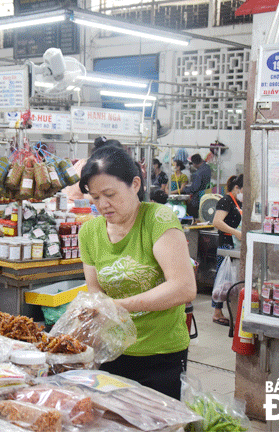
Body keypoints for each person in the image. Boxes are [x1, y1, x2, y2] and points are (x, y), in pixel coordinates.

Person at [78, 145, 196, 400]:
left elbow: (184, 287)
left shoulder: (158, 220)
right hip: (112, 353)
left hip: (160, 356)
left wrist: (118, 306)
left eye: (110, 194)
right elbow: (96, 291)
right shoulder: (89, 232)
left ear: (135, 184)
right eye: (95, 198)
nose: (103, 205)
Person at [211, 174, 243, 326]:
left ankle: (233, 309)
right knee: (222, 279)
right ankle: (217, 312)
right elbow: (217, 222)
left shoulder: (240, 202)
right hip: (226, 244)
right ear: (237, 188)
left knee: (232, 280)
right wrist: (236, 232)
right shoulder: (226, 201)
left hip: (237, 245)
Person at [62, 136, 122, 201]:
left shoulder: (82, 161)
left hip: (65, 201)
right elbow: (89, 196)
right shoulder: (95, 167)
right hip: (77, 205)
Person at [184, 154, 211, 219]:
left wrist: (184, 189)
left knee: (192, 213)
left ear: (194, 163)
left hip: (198, 198)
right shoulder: (207, 168)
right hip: (206, 195)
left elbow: (194, 188)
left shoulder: (197, 173)